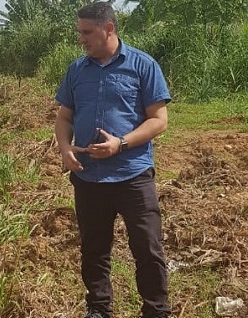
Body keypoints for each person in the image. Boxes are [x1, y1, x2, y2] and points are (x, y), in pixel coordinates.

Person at [54, 2, 171, 318]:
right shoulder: (77, 70)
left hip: (133, 175)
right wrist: (65, 147)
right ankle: (99, 309)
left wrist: (121, 144)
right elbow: (64, 116)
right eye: (79, 32)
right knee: (94, 250)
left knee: (148, 249)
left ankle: (156, 310)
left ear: (108, 29)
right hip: (88, 177)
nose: (82, 39)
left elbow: (159, 119)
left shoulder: (142, 65)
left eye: (87, 32)